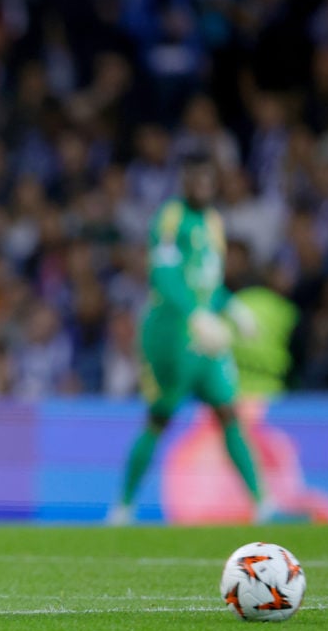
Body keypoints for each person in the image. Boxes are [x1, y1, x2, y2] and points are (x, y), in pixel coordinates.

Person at [107, 150, 269, 525]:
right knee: (159, 418)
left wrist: (231, 307)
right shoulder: (171, 217)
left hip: (205, 336)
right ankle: (124, 506)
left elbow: (207, 281)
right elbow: (162, 275)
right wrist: (193, 313)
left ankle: (263, 503)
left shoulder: (213, 221)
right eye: (194, 180)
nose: (201, 187)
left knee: (228, 412)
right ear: (184, 182)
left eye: (207, 180)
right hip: (171, 334)